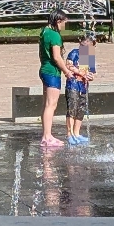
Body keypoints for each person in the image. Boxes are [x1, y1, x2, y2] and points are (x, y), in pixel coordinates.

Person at [38, 11, 73, 148]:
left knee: (47, 104)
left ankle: (46, 135)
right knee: (51, 105)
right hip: (52, 72)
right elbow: (57, 57)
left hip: (44, 69)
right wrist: (66, 71)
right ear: (58, 21)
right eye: (64, 22)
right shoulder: (55, 35)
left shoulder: (45, 32)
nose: (65, 25)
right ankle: (47, 137)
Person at [64, 37, 95, 146]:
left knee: (81, 109)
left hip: (83, 86)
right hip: (73, 85)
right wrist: (81, 73)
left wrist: (90, 76)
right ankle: (69, 134)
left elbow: (91, 72)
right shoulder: (74, 53)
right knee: (72, 108)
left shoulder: (90, 57)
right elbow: (68, 66)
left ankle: (76, 133)